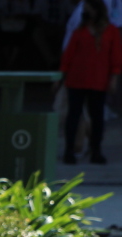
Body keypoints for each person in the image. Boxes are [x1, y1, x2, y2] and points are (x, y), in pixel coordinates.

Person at [60, 0, 122, 164]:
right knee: (73, 116)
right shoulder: (80, 32)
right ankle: (69, 151)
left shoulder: (111, 32)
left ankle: (96, 151)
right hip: (76, 80)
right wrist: (62, 77)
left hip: (98, 80)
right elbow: (68, 56)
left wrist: (113, 78)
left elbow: (115, 58)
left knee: (97, 118)